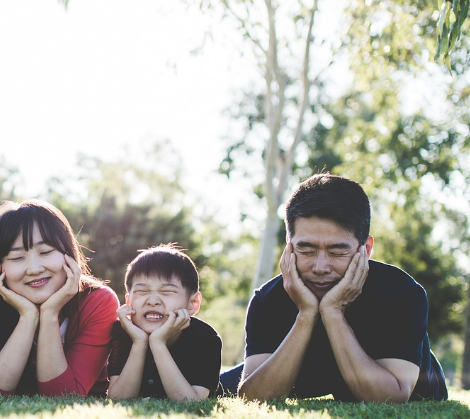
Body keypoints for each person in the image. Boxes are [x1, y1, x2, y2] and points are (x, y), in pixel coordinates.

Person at [232, 173, 447, 403]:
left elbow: (391, 398)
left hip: (412, 385)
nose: (320, 267)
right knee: (216, 384)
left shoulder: (403, 294)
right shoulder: (267, 300)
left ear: (366, 248)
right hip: (305, 372)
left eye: (337, 252)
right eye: (306, 250)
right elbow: (253, 397)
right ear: (289, 245)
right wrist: (306, 315)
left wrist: (333, 312)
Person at [0, 200, 118, 397]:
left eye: (46, 252)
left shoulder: (98, 302)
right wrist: (28, 316)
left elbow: (63, 396)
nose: (35, 269)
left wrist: (49, 313)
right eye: (17, 258)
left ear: (68, 253)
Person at [107, 244, 222, 401]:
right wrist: (139, 342)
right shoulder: (124, 331)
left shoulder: (205, 337)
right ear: (128, 301)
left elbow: (191, 402)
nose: (153, 301)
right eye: (142, 292)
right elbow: (119, 399)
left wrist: (158, 343)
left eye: (167, 292)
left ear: (193, 303)